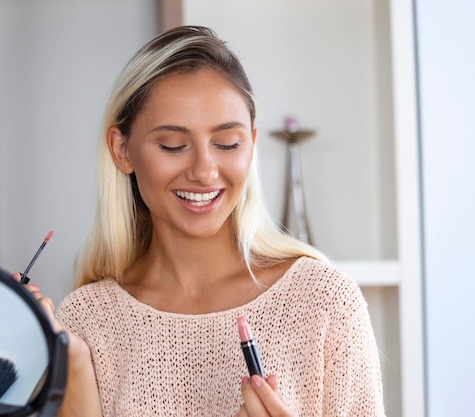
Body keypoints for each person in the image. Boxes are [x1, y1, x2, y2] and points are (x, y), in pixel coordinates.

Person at [26, 25, 385, 417]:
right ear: (122, 149)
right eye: (173, 146)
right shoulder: (85, 321)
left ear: (250, 145)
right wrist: (72, 364)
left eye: (227, 144)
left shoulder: (324, 303)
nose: (204, 171)